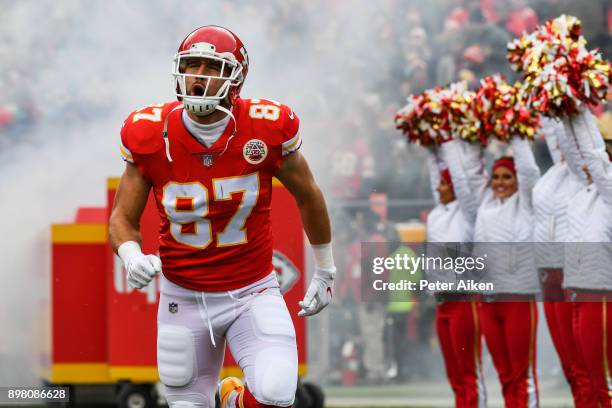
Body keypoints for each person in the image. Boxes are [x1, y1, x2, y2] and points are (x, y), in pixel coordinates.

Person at [108, 26, 336, 408]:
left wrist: (326, 269)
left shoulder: (266, 125)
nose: (198, 75)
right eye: (191, 64)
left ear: (236, 77)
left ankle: (233, 400)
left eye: (210, 66)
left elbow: (309, 194)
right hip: (184, 294)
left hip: (253, 290)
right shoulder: (151, 133)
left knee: (277, 393)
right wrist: (130, 255)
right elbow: (121, 219)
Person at [532, 118, 596, 407]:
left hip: (573, 272)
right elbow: (556, 139)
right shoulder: (550, 178)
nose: (558, 142)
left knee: (584, 366)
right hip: (548, 273)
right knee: (570, 366)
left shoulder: (585, 177)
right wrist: (546, 100)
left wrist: (567, 103)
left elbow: (573, 144)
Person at [474, 136, 541, 407]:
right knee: (504, 376)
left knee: (521, 374)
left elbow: (529, 171)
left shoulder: (526, 207)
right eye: (496, 176)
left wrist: (517, 132)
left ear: (517, 181)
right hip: (488, 301)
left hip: (518, 298)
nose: (500, 182)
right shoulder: (483, 207)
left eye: (507, 176)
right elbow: (465, 176)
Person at [424, 139, 487, 407]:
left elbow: (461, 180)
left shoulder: (468, 214)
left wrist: (448, 142)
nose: (438, 188)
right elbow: (434, 176)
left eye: (443, 184)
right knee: (454, 375)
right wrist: (429, 145)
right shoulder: (437, 214)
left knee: (469, 371)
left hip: (464, 300)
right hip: (442, 302)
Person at [561, 109, 612, 407]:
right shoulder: (584, 193)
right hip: (580, 294)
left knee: (604, 384)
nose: (585, 166)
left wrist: (578, 110)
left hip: (602, 297)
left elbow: (594, 156)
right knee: (591, 383)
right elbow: (574, 153)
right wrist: (562, 112)